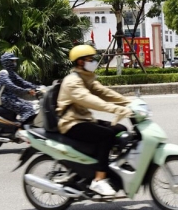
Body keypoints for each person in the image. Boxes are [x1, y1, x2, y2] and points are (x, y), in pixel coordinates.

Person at [56, 45, 132, 196]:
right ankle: (98, 180)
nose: (93, 62)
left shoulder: (85, 77)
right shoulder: (73, 81)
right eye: (90, 59)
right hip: (71, 123)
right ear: (80, 62)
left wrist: (127, 102)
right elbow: (89, 100)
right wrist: (114, 109)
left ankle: (107, 164)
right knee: (106, 135)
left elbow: (103, 92)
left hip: (83, 119)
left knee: (120, 129)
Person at [0, 53, 37, 123]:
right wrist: (26, 91)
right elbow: (12, 86)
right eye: (12, 61)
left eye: (14, 61)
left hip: (13, 98)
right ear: (7, 62)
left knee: (32, 106)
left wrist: (36, 87)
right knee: (27, 109)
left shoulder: (12, 73)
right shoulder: (3, 74)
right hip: (6, 99)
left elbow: (22, 82)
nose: (14, 63)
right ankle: (19, 127)